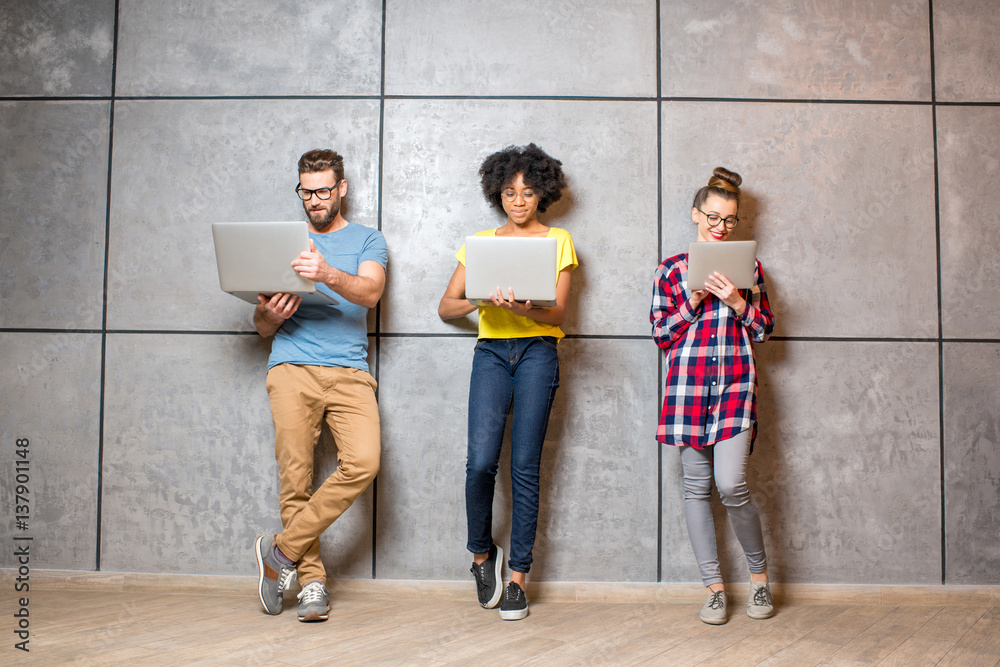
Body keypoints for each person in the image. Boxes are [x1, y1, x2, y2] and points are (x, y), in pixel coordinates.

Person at [438, 144, 577, 621]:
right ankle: (482, 556)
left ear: (542, 193)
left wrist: (526, 310)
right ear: (498, 193)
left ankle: (518, 576)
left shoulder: (559, 240)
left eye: (528, 191)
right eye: (509, 191)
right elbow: (446, 306)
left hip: (539, 351)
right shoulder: (480, 243)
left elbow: (559, 312)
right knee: (479, 464)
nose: (518, 200)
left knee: (524, 467)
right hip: (491, 353)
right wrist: (484, 301)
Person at [253, 149, 387, 622]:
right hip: (291, 367)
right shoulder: (283, 242)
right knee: (296, 480)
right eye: (306, 192)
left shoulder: (368, 240)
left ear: (342, 188)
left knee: (363, 463)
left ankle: (280, 554)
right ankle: (311, 583)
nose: (314, 200)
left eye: (323, 190)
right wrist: (267, 316)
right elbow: (261, 328)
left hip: (350, 373)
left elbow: (370, 293)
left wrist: (325, 271)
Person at [650, 167, 775, 625]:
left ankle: (758, 579)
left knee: (731, 485)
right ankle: (714, 589)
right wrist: (694, 298)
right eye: (713, 218)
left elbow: (764, 330)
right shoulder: (670, 270)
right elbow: (662, 334)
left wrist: (740, 304)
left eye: (729, 220)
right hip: (687, 393)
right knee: (695, 489)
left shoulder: (751, 269)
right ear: (696, 215)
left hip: (736, 390)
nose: (720, 228)